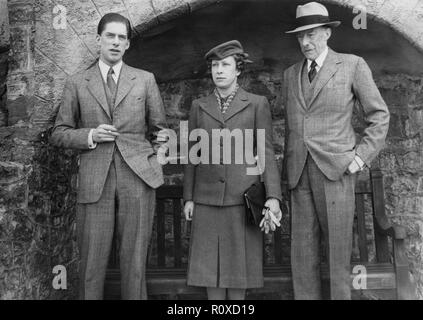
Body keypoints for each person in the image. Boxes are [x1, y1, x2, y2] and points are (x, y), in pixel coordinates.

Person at [50, 13, 167, 300]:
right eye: (110, 36)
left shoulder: (145, 79)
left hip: (138, 178)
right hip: (94, 181)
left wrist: (159, 157)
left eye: (122, 38)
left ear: (127, 44)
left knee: (135, 262)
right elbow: (58, 132)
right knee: (92, 262)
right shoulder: (77, 82)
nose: (116, 42)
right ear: (98, 39)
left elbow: (161, 130)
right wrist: (90, 135)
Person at [282, 2, 390, 299]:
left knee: (338, 254)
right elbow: (293, 127)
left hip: (337, 173)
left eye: (312, 34)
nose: (305, 42)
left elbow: (379, 116)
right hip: (299, 174)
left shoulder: (352, 65)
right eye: (300, 36)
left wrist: (359, 159)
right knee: (302, 255)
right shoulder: (290, 74)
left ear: (327, 33)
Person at [183, 40, 282, 300]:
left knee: (239, 272)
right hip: (206, 200)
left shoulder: (256, 103)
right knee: (209, 270)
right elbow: (193, 155)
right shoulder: (199, 106)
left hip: (242, 200)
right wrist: (189, 198)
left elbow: (266, 152)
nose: (219, 70)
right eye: (215, 65)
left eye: (225, 65)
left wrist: (273, 196)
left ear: (238, 70)